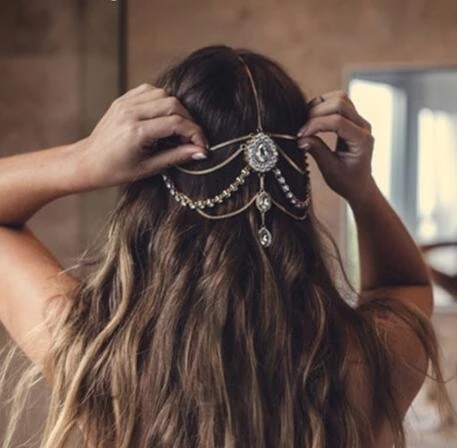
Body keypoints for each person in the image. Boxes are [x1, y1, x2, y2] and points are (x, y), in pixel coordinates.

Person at [0, 45, 446, 447]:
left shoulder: (103, 359)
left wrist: (84, 161)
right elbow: (404, 282)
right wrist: (361, 191)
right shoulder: (367, 362)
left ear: (153, 195)